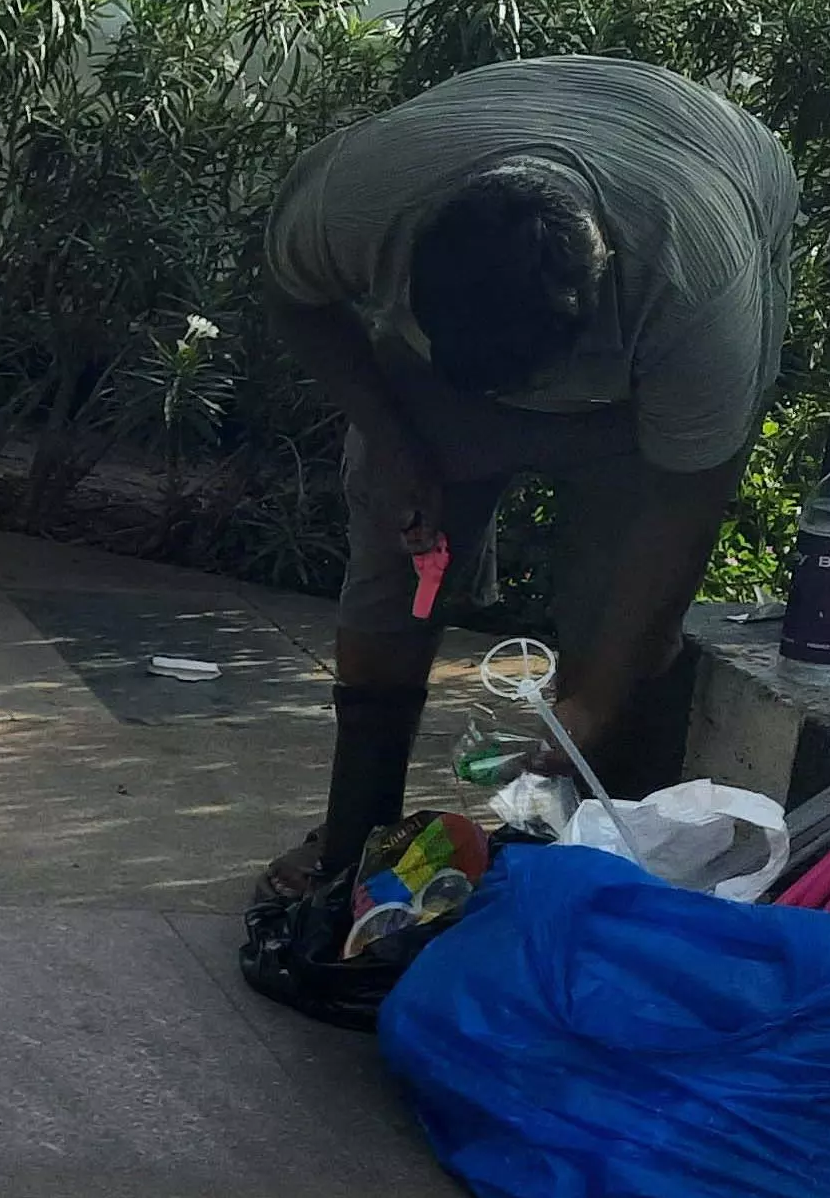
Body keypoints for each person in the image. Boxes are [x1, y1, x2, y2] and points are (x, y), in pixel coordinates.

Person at [258, 55, 800, 897]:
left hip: (645, 362)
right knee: (393, 572)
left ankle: (572, 858)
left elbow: (684, 500)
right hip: (438, 365)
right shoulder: (361, 198)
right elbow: (295, 301)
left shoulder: (699, 291)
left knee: (622, 621)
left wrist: (593, 697)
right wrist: (397, 442)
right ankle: (356, 834)